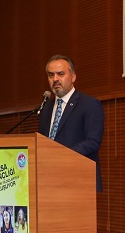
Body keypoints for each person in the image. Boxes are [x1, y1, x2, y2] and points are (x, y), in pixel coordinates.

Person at [39, 56, 105, 188]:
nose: (55, 79)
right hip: (50, 180)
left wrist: (61, 156)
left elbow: (93, 142)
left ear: (73, 77)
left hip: (78, 180)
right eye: (51, 75)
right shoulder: (46, 107)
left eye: (60, 74)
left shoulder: (89, 104)